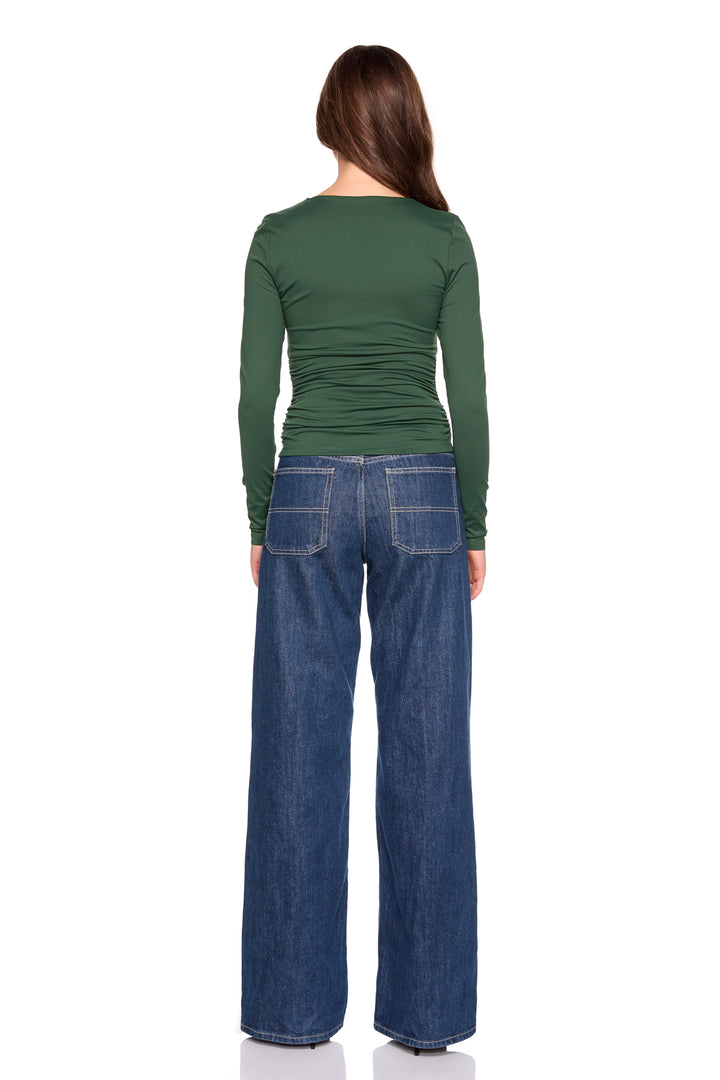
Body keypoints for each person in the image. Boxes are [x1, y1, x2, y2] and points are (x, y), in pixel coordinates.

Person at [237, 44, 489, 1054]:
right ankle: (428, 1020)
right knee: (429, 751)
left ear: (331, 118)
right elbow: (470, 399)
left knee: (297, 749)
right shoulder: (443, 237)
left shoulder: (279, 237)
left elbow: (255, 397)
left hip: (307, 493)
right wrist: (474, 526)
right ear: (403, 119)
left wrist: (262, 517)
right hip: (424, 492)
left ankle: (290, 1015)